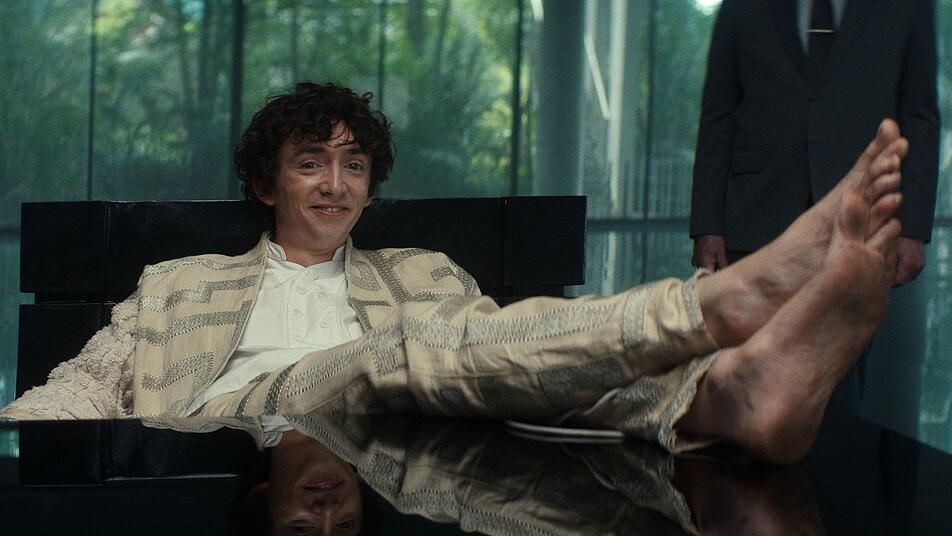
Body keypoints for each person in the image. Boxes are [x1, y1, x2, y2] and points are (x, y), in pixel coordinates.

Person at [1, 82, 909, 465]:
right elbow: (80, 386)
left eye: (354, 166)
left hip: (410, 447)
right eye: (311, 162)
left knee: (500, 372)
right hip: (250, 425)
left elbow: (504, 359)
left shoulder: (423, 273)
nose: (335, 183)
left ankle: (727, 396)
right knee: (391, 354)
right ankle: (724, 299)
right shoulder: (179, 283)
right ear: (266, 183)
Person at [689, 0, 938, 286]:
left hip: (862, 224)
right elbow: (718, 115)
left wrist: (913, 229)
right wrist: (707, 225)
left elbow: (919, 116)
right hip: (755, 221)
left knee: (848, 317)